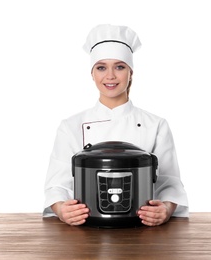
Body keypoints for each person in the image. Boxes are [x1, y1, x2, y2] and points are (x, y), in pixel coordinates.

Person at [43, 24, 189, 226]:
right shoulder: (71, 126)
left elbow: (169, 182)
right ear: (92, 74)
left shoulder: (156, 125)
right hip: (86, 227)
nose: (110, 76)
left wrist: (165, 209)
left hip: (143, 227)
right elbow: (56, 185)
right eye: (101, 67)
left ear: (131, 73)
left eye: (119, 67)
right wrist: (62, 210)